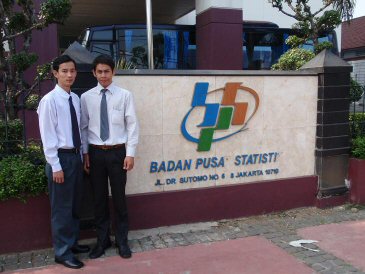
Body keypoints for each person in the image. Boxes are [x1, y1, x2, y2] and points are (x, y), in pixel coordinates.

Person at [81, 54, 139, 259]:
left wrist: (130, 154)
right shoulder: (86, 97)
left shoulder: (124, 95)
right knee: (99, 200)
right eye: (100, 72)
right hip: (96, 153)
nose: (103, 75)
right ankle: (102, 240)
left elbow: (132, 125)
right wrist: (85, 153)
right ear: (94, 73)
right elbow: (84, 128)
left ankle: (122, 240)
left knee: (119, 199)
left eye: (107, 71)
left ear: (113, 72)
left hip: (117, 153)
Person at [37, 55, 90, 269]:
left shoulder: (75, 99)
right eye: (65, 71)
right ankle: (62, 252)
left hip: (75, 157)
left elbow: (80, 130)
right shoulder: (49, 101)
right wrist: (55, 165)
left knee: (75, 205)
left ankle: (72, 242)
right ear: (55, 72)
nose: (69, 75)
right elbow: (47, 137)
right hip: (60, 158)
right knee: (61, 208)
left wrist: (84, 154)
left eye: (73, 71)